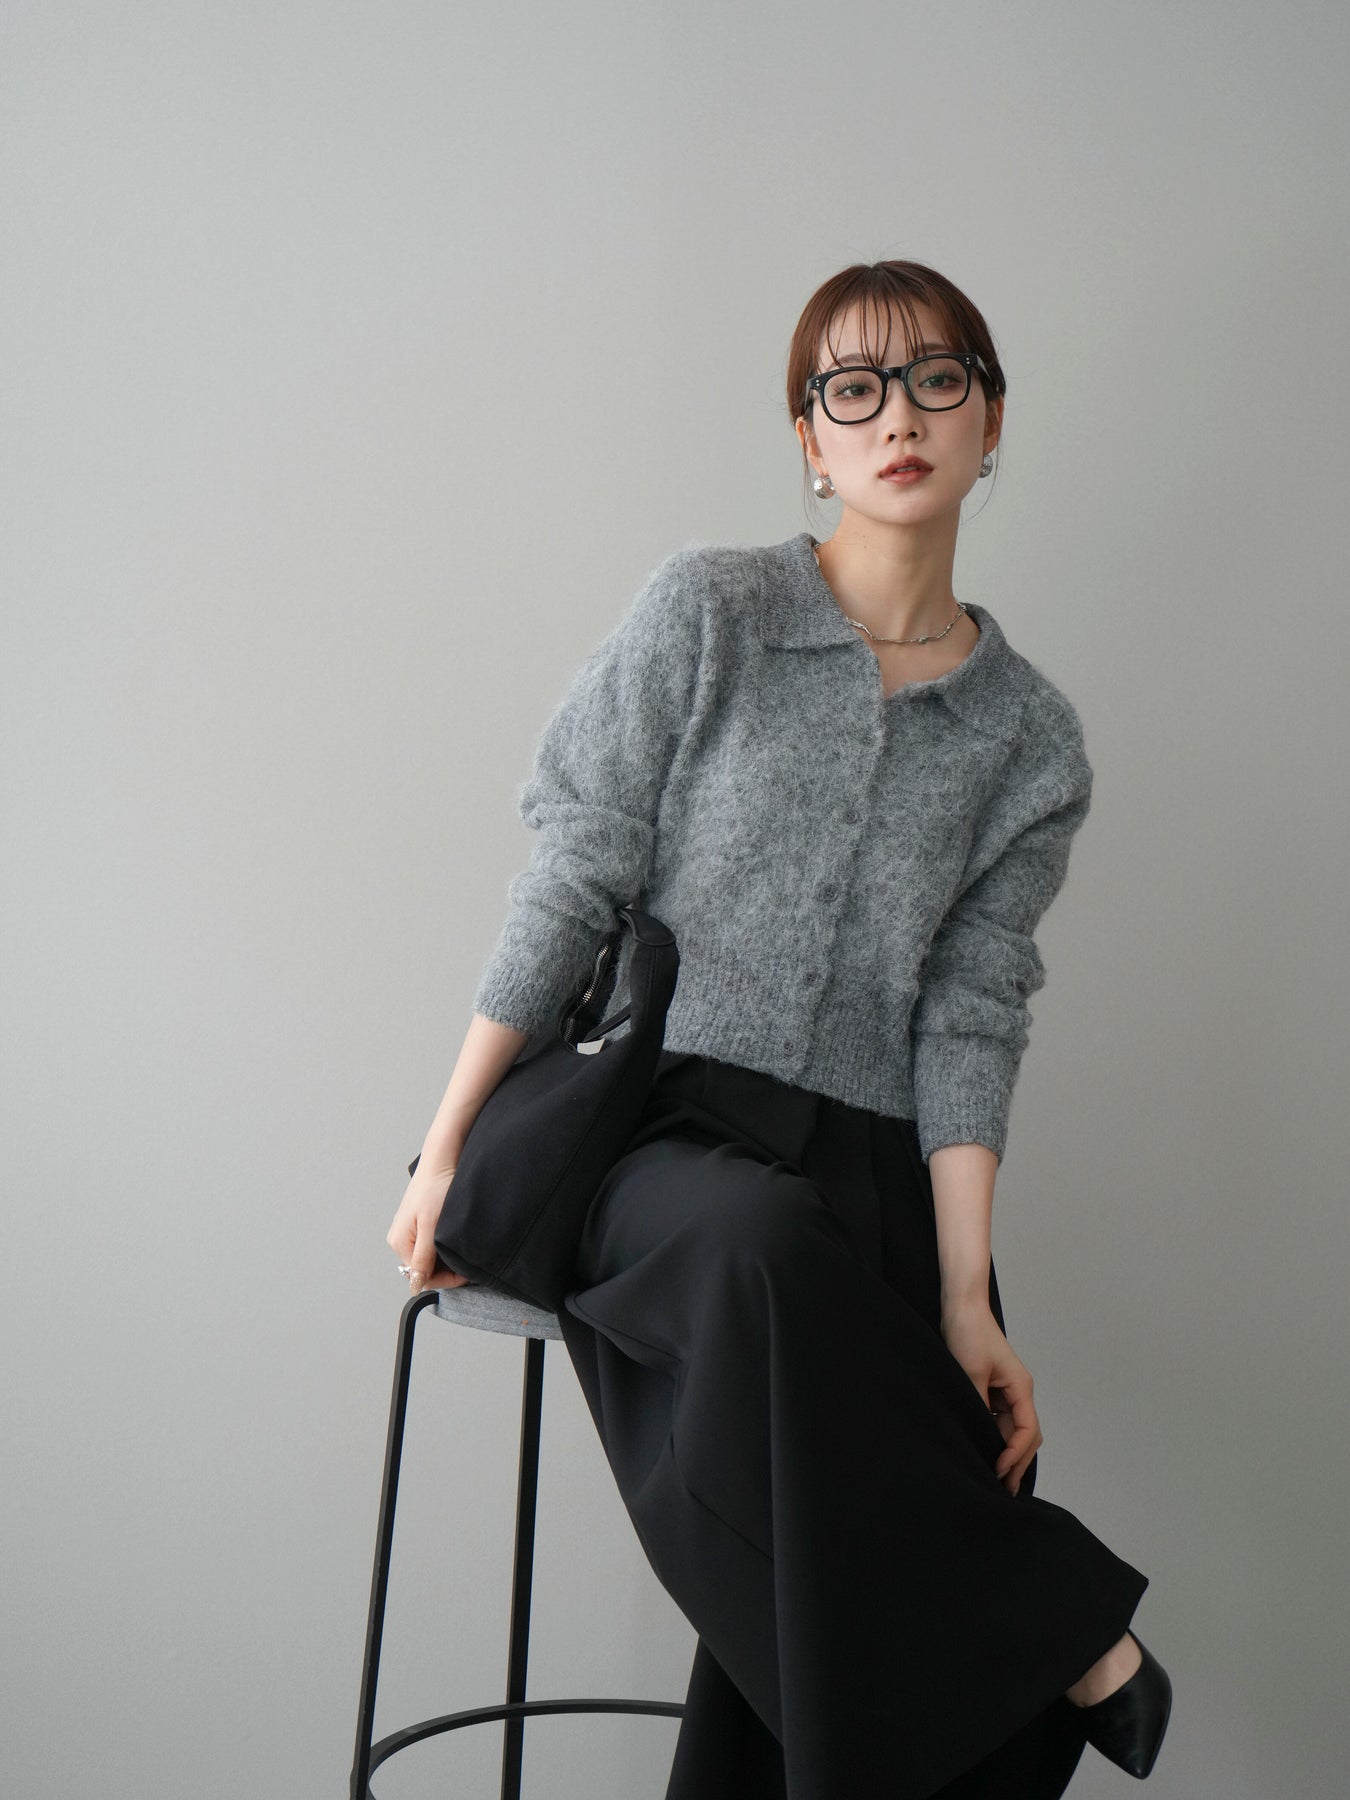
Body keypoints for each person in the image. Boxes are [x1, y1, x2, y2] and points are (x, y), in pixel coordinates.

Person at [385, 258, 1172, 1798]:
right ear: (809, 437)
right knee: (757, 1246)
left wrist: (964, 1294)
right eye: (851, 389)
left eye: (935, 379)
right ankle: (1060, 1620)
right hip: (653, 1135)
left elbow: (969, 1013)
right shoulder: (711, 612)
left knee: (869, 1409)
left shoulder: (1028, 737)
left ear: (989, 419)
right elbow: (575, 872)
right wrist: (450, 1139)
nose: (897, 418)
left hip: (866, 1171)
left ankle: (981, 1661)